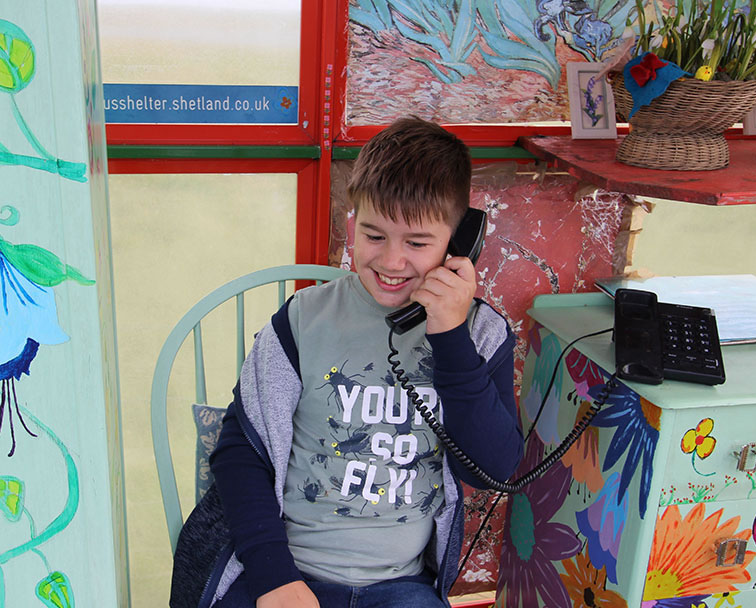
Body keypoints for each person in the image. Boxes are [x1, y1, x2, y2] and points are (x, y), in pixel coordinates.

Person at [173, 116, 523, 608]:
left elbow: (493, 471)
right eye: (375, 235)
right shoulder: (302, 320)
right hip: (284, 570)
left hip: (399, 586)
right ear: (351, 226)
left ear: (460, 241)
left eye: (418, 243)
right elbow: (240, 452)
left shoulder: (480, 336)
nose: (392, 261)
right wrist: (275, 577)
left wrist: (450, 339)